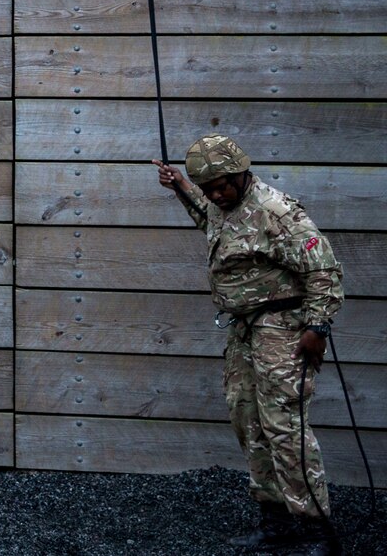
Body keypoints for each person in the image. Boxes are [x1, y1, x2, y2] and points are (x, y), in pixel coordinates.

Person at [153, 134, 343, 556]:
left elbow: (324, 270)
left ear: (241, 173)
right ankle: (276, 522)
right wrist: (183, 188)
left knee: (284, 427)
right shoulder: (224, 206)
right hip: (244, 330)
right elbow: (214, 223)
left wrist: (317, 328)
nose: (216, 194)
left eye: (223, 185)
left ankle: (316, 533)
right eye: (209, 188)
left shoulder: (276, 212)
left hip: (284, 330)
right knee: (248, 419)